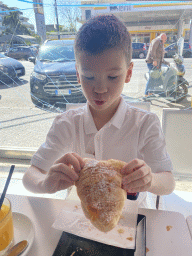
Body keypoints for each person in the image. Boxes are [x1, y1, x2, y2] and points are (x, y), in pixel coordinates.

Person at [22, 15, 175, 208]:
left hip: (130, 218)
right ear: (78, 74)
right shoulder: (66, 123)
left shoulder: (146, 123)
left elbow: (168, 182)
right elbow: (30, 176)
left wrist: (150, 179)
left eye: (112, 76)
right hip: (79, 216)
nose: (100, 89)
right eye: (88, 76)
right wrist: (44, 183)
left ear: (128, 73)